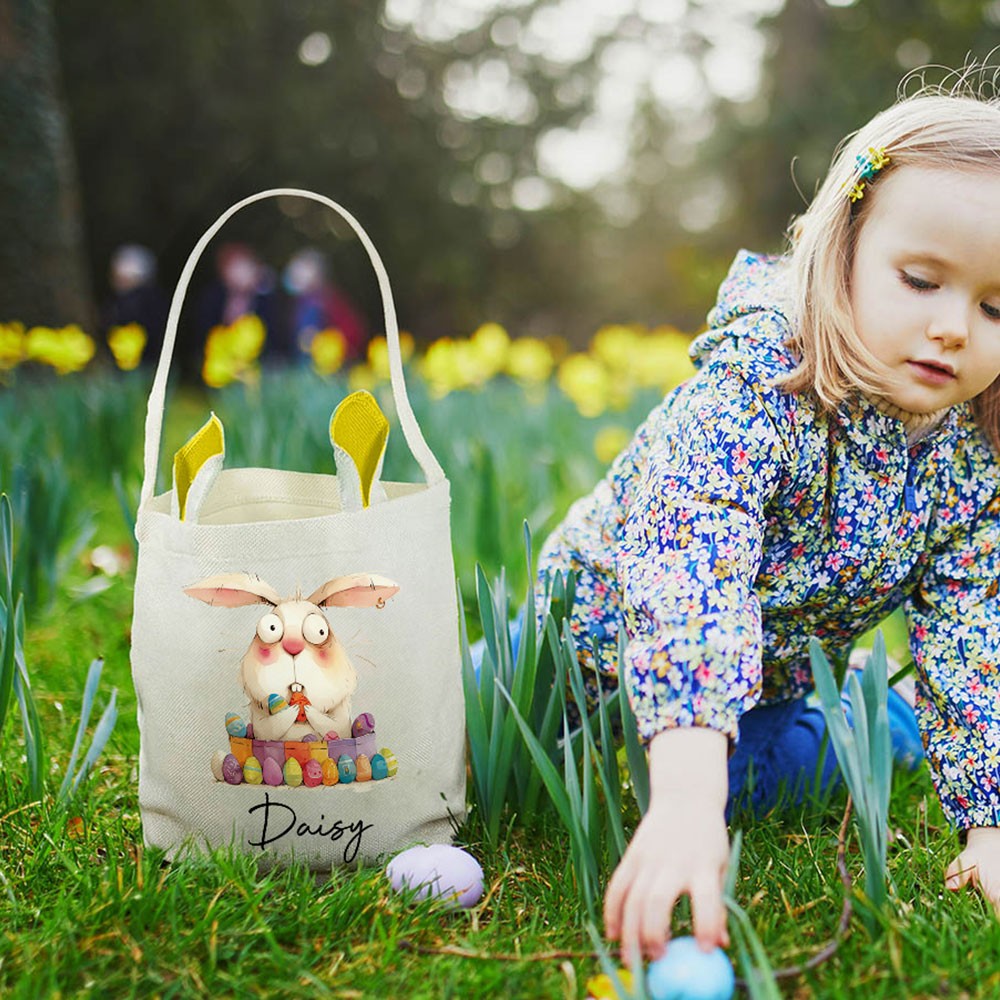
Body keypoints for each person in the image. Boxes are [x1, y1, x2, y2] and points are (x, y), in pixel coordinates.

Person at [535, 79, 1000, 965]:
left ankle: (869, 718)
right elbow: (690, 567)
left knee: (768, 769)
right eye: (921, 280)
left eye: (995, 306)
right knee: (460, 722)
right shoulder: (760, 385)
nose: (952, 328)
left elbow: (976, 628)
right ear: (844, 250)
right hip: (578, 656)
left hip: (755, 700)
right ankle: (840, 722)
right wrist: (682, 798)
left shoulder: (969, 459)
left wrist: (993, 824)